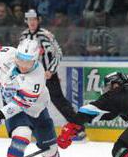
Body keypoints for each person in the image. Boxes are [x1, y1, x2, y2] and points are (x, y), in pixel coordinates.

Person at [20, 9, 86, 140]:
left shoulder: (46, 35)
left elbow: (58, 53)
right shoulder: (24, 36)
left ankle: (78, 127)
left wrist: (51, 70)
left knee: (59, 101)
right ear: (26, 21)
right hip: (31, 76)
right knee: (29, 101)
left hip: (47, 75)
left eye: (34, 19)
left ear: (39, 20)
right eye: (29, 19)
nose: (32, 22)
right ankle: (33, 130)